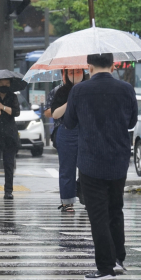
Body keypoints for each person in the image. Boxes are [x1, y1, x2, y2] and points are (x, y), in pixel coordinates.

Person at [62, 53, 137, 280]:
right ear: (113, 66)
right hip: (118, 159)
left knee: (98, 215)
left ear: (89, 67)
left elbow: (69, 122)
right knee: (116, 210)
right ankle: (118, 260)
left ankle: (105, 268)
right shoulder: (126, 89)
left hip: (91, 161)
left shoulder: (80, 90)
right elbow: (132, 122)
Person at [50, 69, 86, 213]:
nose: (75, 74)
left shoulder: (88, 88)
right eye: (72, 72)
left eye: (78, 71)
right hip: (66, 131)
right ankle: (67, 202)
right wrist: (70, 100)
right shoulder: (61, 92)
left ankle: (86, 196)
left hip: (86, 131)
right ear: (66, 74)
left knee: (87, 168)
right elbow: (55, 114)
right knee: (67, 168)